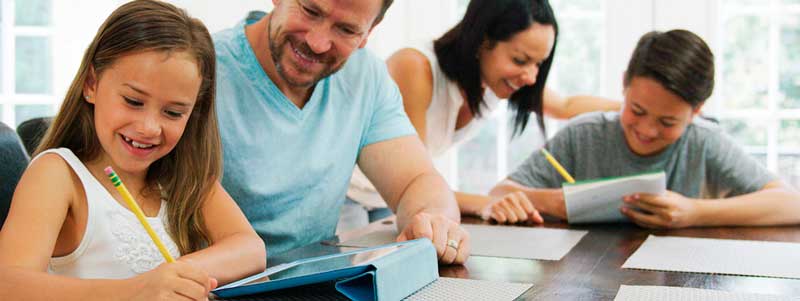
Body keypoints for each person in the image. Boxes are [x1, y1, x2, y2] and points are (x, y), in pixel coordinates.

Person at [0, 1, 266, 300]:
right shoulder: (58, 174)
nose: (150, 127)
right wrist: (138, 290)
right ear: (91, 84)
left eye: (174, 113)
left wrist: (175, 277)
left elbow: (250, 248)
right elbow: (8, 285)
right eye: (133, 102)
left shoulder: (183, 176)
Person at [213, 0, 470, 264]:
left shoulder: (365, 77)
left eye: (346, 29)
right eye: (310, 11)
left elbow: (415, 180)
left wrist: (434, 222)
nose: (318, 42)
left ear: (370, 31)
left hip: (315, 283)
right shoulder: (204, 70)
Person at [340, 0, 620, 231]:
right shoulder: (416, 67)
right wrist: (487, 202)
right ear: (482, 42)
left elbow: (567, 105)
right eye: (520, 60)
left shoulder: (492, 82)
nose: (532, 76)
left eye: (539, 63)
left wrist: (635, 110)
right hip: (349, 194)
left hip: (388, 201)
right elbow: (413, 179)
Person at [489, 29, 800, 227]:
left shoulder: (703, 142)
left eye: (668, 122)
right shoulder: (584, 134)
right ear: (624, 84)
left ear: (696, 111)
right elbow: (500, 193)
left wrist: (694, 212)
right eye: (636, 110)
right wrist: (555, 201)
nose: (648, 130)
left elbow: (791, 204)